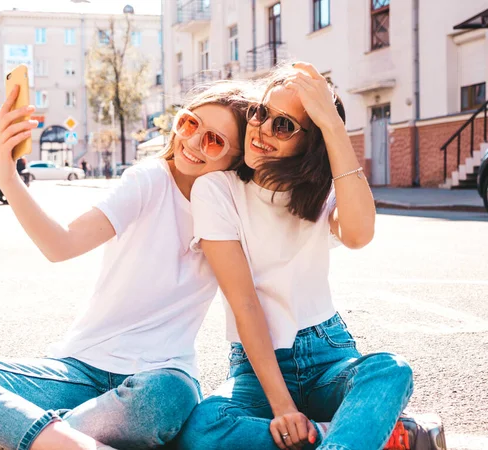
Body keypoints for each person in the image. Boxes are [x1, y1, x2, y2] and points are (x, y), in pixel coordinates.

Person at [0, 80, 253, 450]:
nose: (193, 142)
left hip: (160, 375)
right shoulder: (149, 179)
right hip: (79, 369)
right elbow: (60, 244)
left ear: (236, 158)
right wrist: (7, 176)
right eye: (190, 123)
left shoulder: (232, 210)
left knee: (167, 401)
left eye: (214, 140)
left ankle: (7, 435)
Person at [176, 62, 444, 450]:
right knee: (205, 429)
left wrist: (333, 126)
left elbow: (358, 234)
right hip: (257, 366)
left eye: (282, 125)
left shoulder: (323, 192)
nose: (262, 130)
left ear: (310, 140)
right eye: (260, 113)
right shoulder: (217, 191)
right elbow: (245, 303)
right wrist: (284, 409)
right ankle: (366, 436)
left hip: (327, 354)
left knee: (390, 370)